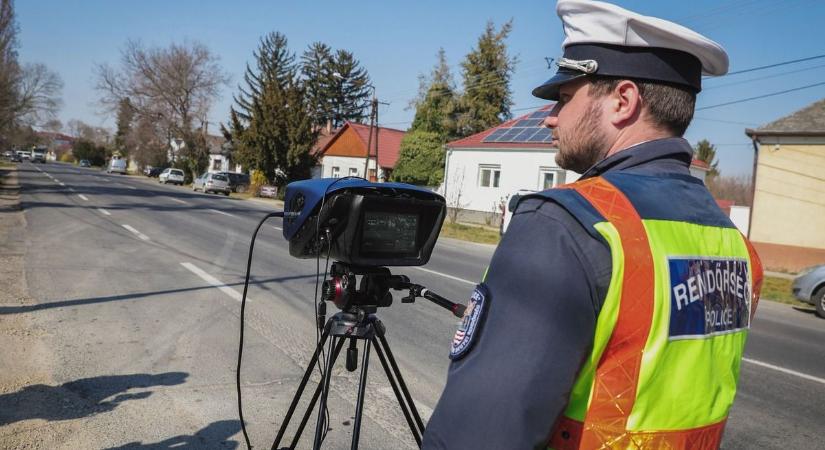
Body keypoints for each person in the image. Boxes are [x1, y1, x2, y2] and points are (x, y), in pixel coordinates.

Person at [422, 1, 764, 449]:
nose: (550, 116)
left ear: (623, 101)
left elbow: (481, 432)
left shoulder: (565, 224)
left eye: (565, 99)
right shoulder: (736, 245)